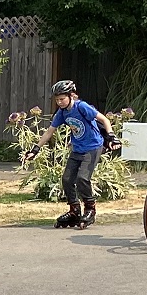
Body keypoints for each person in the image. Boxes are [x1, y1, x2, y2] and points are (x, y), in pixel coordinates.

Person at [37, 79, 109, 229]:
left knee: (83, 178)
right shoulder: (62, 113)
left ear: (71, 96)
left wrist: (112, 136)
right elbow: (50, 132)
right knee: (67, 179)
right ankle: (75, 211)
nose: (59, 102)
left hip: (93, 148)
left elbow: (104, 119)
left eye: (62, 99)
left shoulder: (82, 107)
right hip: (77, 149)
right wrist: (35, 149)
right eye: (57, 100)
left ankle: (90, 209)